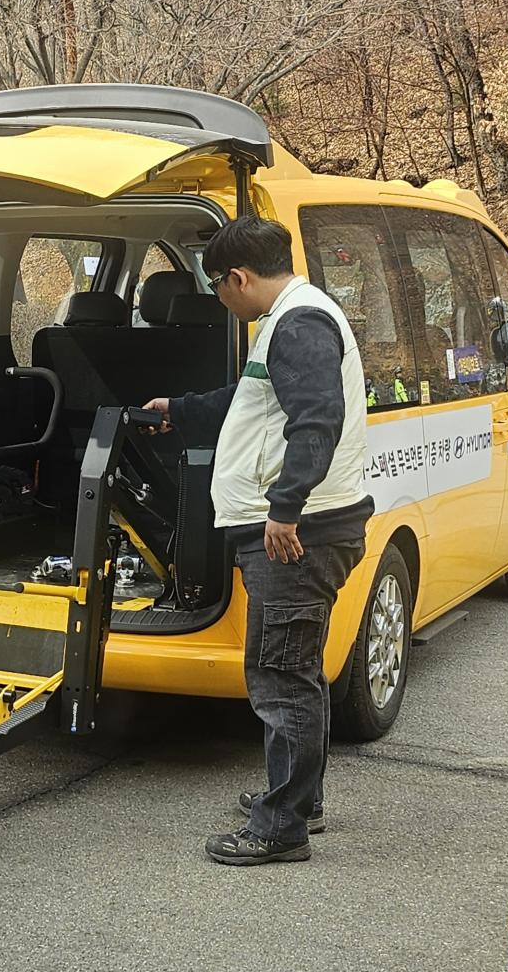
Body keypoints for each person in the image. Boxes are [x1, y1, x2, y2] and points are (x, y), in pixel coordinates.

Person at [142, 216, 373, 867]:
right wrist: (180, 411)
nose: (220, 300)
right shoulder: (291, 319)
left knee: (280, 675)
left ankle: (282, 828)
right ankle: (299, 798)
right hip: (308, 530)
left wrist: (284, 509)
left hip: (300, 537)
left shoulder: (298, 325)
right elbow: (252, 401)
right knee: (289, 670)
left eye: (218, 287)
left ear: (238, 277)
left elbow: (316, 421)